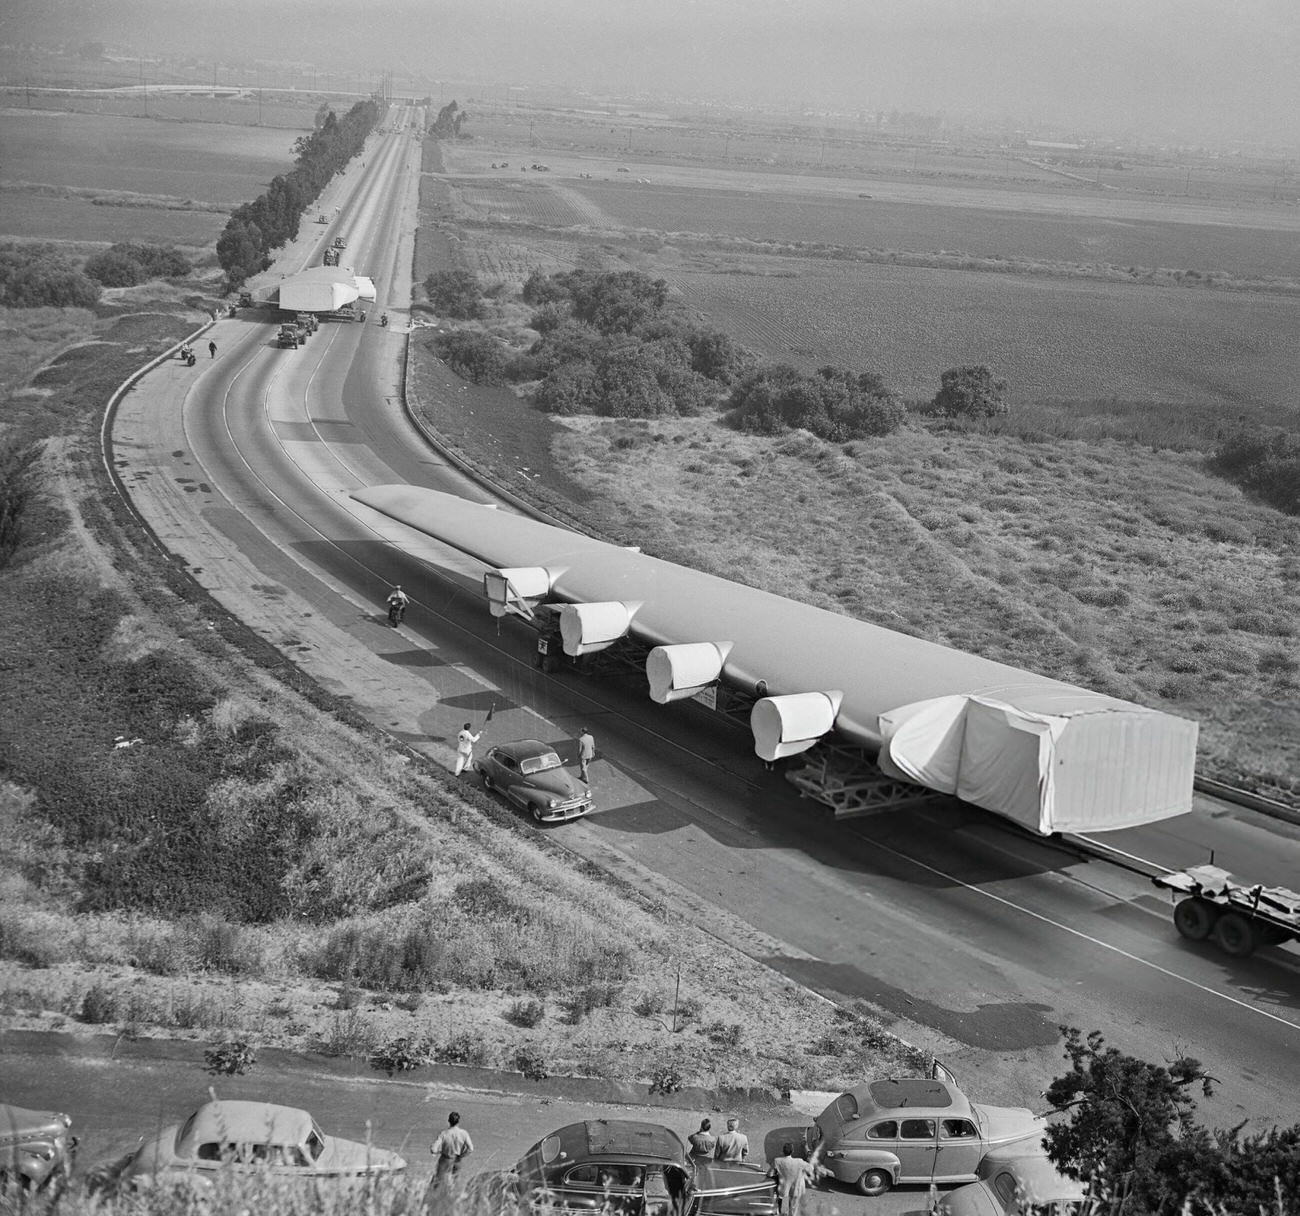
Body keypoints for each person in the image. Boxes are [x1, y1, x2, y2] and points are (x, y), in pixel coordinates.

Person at [429, 1111, 473, 1188]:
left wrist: (437, 1151)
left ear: (448, 1121)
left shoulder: (444, 1133)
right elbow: (470, 1149)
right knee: (455, 1183)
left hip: (445, 1160)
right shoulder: (464, 1133)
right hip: (457, 1160)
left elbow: (433, 1149)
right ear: (458, 1121)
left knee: (436, 1182)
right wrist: (461, 1156)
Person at [768, 1144, 815, 1216]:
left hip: (783, 1189)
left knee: (779, 1207)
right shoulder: (799, 1162)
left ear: (783, 1151)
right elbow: (811, 1168)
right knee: (793, 1209)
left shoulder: (777, 1161)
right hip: (796, 1188)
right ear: (792, 1151)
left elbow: (770, 1174)